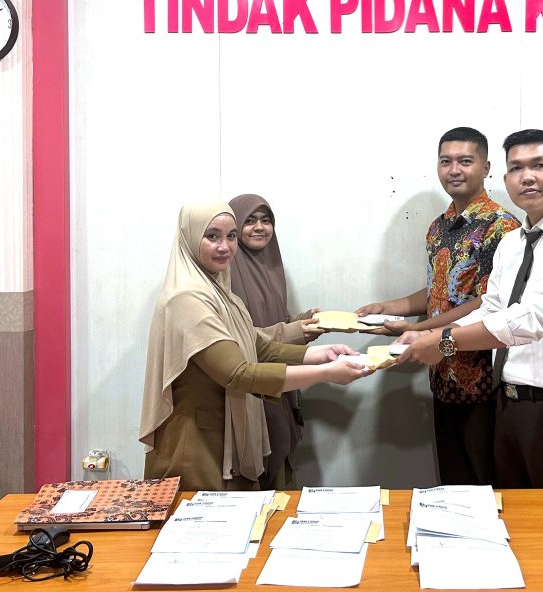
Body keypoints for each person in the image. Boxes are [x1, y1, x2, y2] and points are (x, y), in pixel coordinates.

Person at [396, 129, 543, 488]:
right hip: (507, 405)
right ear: (506, 177)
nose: (527, 177)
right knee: (504, 514)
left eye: (539, 165)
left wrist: (444, 341)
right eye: (516, 168)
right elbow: (492, 307)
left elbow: (534, 318)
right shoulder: (512, 243)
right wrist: (432, 334)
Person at [139, 202, 373, 491]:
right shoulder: (187, 298)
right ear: (190, 238)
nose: (224, 246)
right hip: (197, 447)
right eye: (212, 236)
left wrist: (321, 354)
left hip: (225, 435)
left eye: (231, 236)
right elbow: (238, 373)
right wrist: (326, 373)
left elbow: (257, 346)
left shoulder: (220, 293)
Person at [356, 127, 519, 486]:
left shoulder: (502, 227)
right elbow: (438, 290)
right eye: (446, 161)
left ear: (486, 167)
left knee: (484, 486)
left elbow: (486, 302)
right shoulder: (438, 227)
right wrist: (389, 307)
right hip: (441, 374)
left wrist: (419, 330)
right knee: (451, 483)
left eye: (465, 161)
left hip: (482, 380)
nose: (454, 170)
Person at [228, 193, 319, 490]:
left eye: (266, 220)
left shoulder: (271, 267)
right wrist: (295, 332)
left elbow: (275, 318)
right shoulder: (224, 272)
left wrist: (306, 321)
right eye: (250, 221)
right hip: (249, 385)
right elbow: (241, 337)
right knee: (259, 468)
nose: (259, 227)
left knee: (281, 471)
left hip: (278, 382)